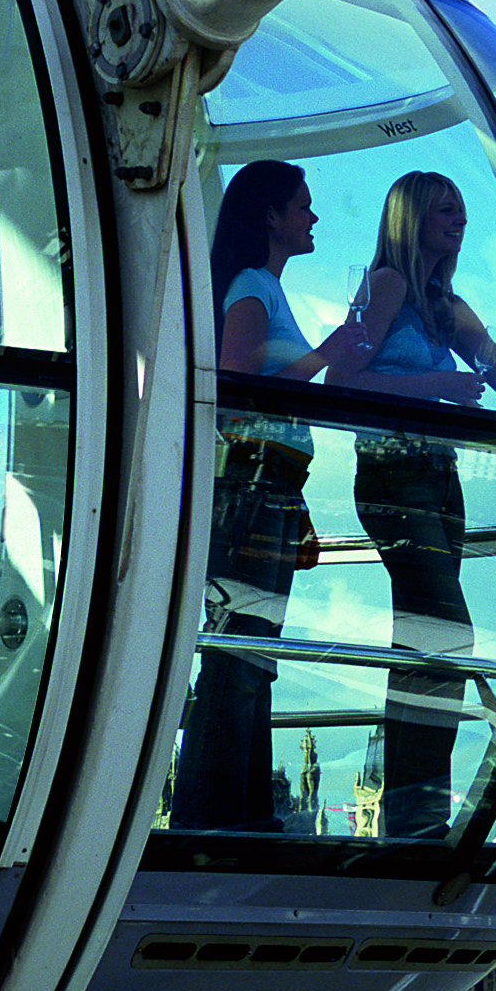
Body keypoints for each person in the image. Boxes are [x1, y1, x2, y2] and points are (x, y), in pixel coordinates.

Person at [337, 170, 496, 841]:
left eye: (461, 208)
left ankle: (410, 810)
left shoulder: (442, 305)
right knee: (447, 637)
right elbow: (343, 379)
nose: (458, 218)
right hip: (392, 477)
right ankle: (419, 814)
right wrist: (440, 386)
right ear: (410, 217)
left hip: (440, 480)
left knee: (422, 644)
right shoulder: (388, 286)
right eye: (443, 208)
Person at [173, 159, 363, 828]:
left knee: (251, 657)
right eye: (303, 205)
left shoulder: (262, 286)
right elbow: (238, 381)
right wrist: (330, 348)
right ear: (270, 216)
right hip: (256, 491)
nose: (313, 216)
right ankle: (220, 816)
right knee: (241, 659)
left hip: (269, 489)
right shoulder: (254, 287)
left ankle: (238, 812)